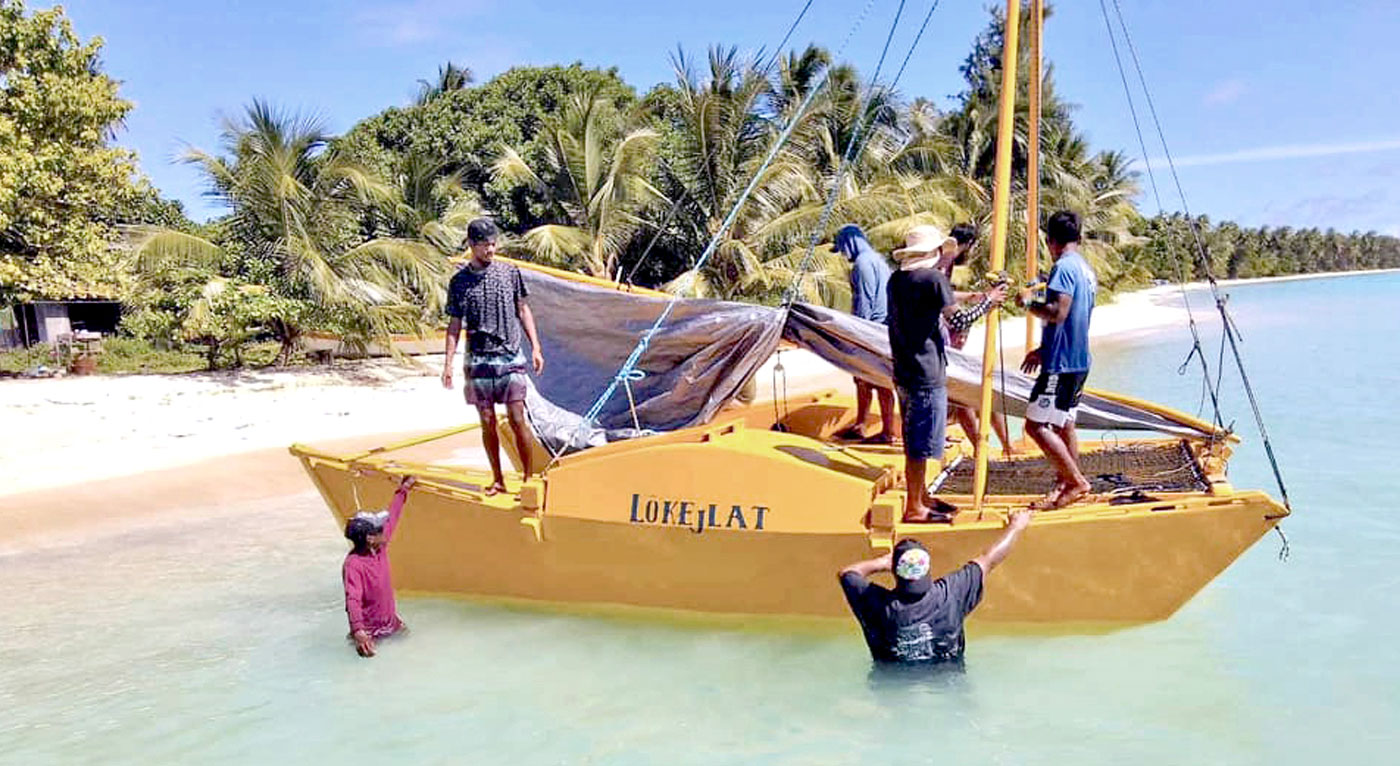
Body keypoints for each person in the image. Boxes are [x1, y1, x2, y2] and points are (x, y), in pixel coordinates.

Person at [887, 225, 1006, 523]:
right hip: (926, 371)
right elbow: (959, 321)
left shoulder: (897, 280)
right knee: (920, 441)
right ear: (936, 252)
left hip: (903, 368)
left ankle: (921, 495)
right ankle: (915, 506)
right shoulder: (934, 279)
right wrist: (989, 301)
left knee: (913, 435)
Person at [839, 509, 1033, 664]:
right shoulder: (951, 594)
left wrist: (882, 562)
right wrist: (1016, 526)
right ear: (928, 569)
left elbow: (847, 573)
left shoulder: (878, 606)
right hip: (949, 693)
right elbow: (989, 559)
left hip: (894, 701)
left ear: (896, 572)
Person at [442, 218, 546, 496]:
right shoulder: (459, 282)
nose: (490, 250)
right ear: (472, 246)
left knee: (516, 417)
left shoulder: (510, 272)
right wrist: (448, 363)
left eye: (493, 244)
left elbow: (523, 310)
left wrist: (535, 347)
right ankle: (498, 479)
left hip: (510, 355)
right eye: (484, 245)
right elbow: (454, 325)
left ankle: (528, 477)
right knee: (487, 419)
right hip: (477, 359)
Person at [1017, 210, 1097, 509]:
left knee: (1035, 426)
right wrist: (1043, 348)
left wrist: (1026, 303)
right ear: (1079, 237)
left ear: (1050, 241)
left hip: (1062, 363)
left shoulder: (1063, 268)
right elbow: (1075, 317)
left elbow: (1057, 312)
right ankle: (1067, 482)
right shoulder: (1085, 269)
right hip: (1077, 359)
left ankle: (1075, 481)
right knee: (1064, 423)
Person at [939, 223, 1017, 459]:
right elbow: (953, 312)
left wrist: (976, 297)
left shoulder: (945, 262)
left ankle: (1002, 446)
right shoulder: (943, 263)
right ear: (969, 244)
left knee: (975, 396)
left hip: (947, 344)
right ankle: (986, 450)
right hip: (943, 346)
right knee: (968, 398)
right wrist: (986, 302)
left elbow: (946, 295)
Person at [831, 224, 897, 444]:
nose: (842, 254)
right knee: (866, 380)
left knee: (876, 381)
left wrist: (856, 333)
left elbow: (865, 301)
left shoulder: (862, 264)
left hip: (870, 329)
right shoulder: (879, 260)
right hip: (884, 328)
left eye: (842, 248)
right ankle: (861, 425)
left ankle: (887, 431)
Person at [343, 475, 417, 658]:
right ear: (370, 538)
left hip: (391, 624)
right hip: (370, 635)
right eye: (379, 528)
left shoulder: (380, 547)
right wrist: (358, 630)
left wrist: (403, 489)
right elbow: (353, 599)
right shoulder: (353, 565)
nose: (385, 528)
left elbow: (393, 516)